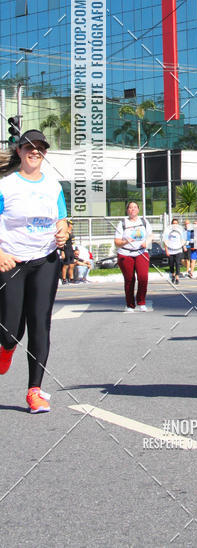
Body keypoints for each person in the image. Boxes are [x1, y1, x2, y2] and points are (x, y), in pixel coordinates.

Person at [0, 129, 69, 413]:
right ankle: (6, 348)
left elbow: (63, 219)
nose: (34, 151)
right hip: (11, 261)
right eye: (29, 147)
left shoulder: (53, 186)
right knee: (10, 331)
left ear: (44, 153)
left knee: (40, 324)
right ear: (19, 151)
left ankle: (35, 391)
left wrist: (64, 230)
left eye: (40, 147)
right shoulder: (5, 186)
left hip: (45, 261)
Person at [114, 200, 152, 312]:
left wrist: (147, 242)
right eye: (130, 207)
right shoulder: (122, 223)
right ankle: (130, 305)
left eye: (135, 207)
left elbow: (150, 235)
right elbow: (117, 242)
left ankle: (141, 302)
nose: (133, 209)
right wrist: (125, 242)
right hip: (125, 254)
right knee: (129, 279)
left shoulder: (144, 222)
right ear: (127, 210)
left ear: (138, 209)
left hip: (141, 252)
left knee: (143, 277)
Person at [163, 217, 184, 284]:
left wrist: (184, 246)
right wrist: (166, 250)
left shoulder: (180, 231)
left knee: (177, 263)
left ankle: (177, 277)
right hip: (171, 250)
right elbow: (165, 241)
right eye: (173, 223)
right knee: (171, 264)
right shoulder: (168, 231)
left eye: (176, 223)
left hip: (178, 250)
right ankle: (173, 275)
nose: (175, 225)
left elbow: (182, 240)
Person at [61, 219, 76, 284]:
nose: (72, 226)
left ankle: (71, 278)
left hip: (71, 250)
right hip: (66, 250)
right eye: (71, 224)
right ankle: (64, 279)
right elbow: (62, 243)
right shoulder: (66, 233)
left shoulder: (71, 232)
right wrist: (62, 252)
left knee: (72, 265)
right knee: (66, 265)